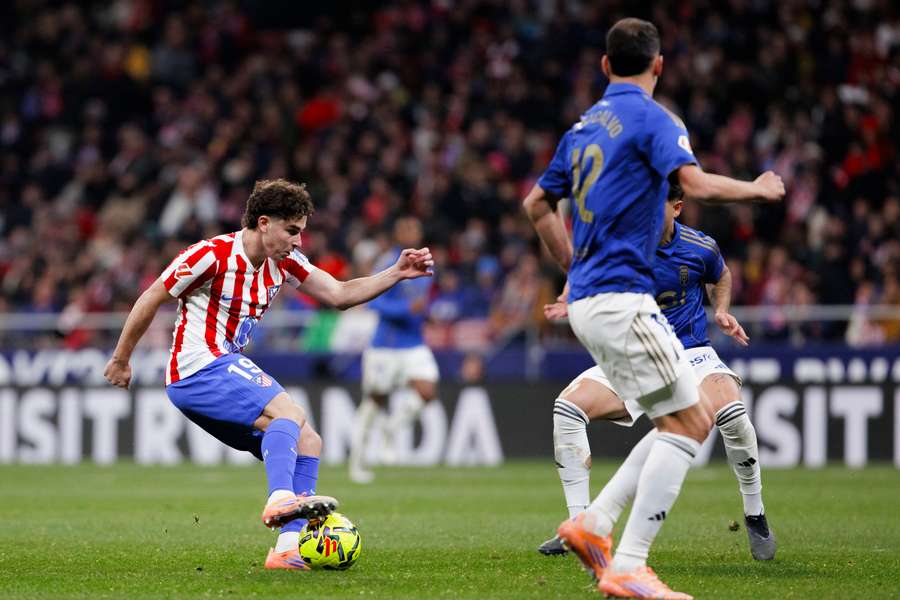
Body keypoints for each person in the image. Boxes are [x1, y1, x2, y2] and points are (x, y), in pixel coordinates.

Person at [522, 18, 784, 599]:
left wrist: (572, 270)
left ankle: (592, 524)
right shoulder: (655, 119)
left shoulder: (582, 128)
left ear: (604, 65)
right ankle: (629, 564)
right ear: (659, 66)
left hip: (594, 300)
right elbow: (698, 184)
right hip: (621, 299)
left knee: (682, 415)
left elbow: (537, 205)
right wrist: (759, 189)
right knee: (690, 424)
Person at [103, 179, 433, 571]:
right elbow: (152, 296)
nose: (298, 241)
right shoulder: (211, 255)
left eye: (301, 232)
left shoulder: (285, 261)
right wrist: (121, 358)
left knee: (309, 440)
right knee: (289, 412)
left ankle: (286, 547)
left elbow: (340, 294)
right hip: (197, 367)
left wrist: (396, 272)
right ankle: (280, 499)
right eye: (291, 230)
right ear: (264, 223)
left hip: (220, 369)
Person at [538, 183, 776, 562]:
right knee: (567, 409)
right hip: (637, 352)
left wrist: (721, 310)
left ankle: (755, 513)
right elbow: (586, 268)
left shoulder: (700, 247)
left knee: (733, 414)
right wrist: (571, 296)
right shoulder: (624, 243)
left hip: (692, 354)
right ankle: (580, 526)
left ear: (676, 208)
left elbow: (722, 275)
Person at [348, 216, 440, 483]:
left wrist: (425, 314)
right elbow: (372, 302)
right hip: (385, 346)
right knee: (374, 401)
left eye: (415, 228)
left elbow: (421, 303)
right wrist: (405, 310)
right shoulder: (387, 262)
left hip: (413, 343)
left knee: (427, 390)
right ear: (397, 234)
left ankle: (390, 429)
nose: (412, 232)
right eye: (406, 228)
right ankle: (357, 463)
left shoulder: (426, 262)